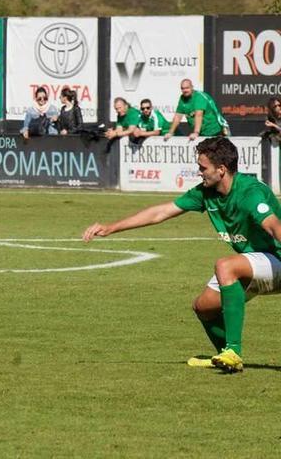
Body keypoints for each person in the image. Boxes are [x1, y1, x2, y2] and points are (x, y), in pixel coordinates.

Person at [83, 137, 281, 373]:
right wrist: (111, 227)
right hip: (254, 263)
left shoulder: (250, 191)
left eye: (202, 167)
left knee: (225, 266)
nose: (199, 172)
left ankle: (233, 350)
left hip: (276, 259)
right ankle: (227, 358)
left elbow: (273, 227)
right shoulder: (206, 193)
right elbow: (161, 212)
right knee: (204, 307)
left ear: (221, 169)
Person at [164, 79, 229, 141]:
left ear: (192, 87)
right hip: (202, 133)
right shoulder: (182, 98)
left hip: (214, 131)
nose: (185, 90)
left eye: (187, 88)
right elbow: (178, 116)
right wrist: (170, 132)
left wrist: (196, 132)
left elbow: (198, 115)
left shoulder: (199, 97)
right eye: (182, 88)